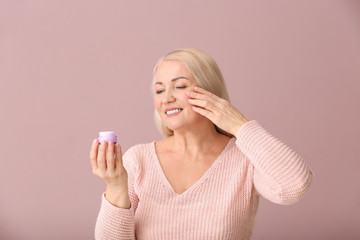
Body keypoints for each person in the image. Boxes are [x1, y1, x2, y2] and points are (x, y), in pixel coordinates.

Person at [89, 48, 313, 240]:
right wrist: (116, 186)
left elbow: (294, 186)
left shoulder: (245, 159)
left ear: (209, 92)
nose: (166, 98)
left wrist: (238, 124)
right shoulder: (138, 159)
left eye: (180, 86)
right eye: (159, 90)